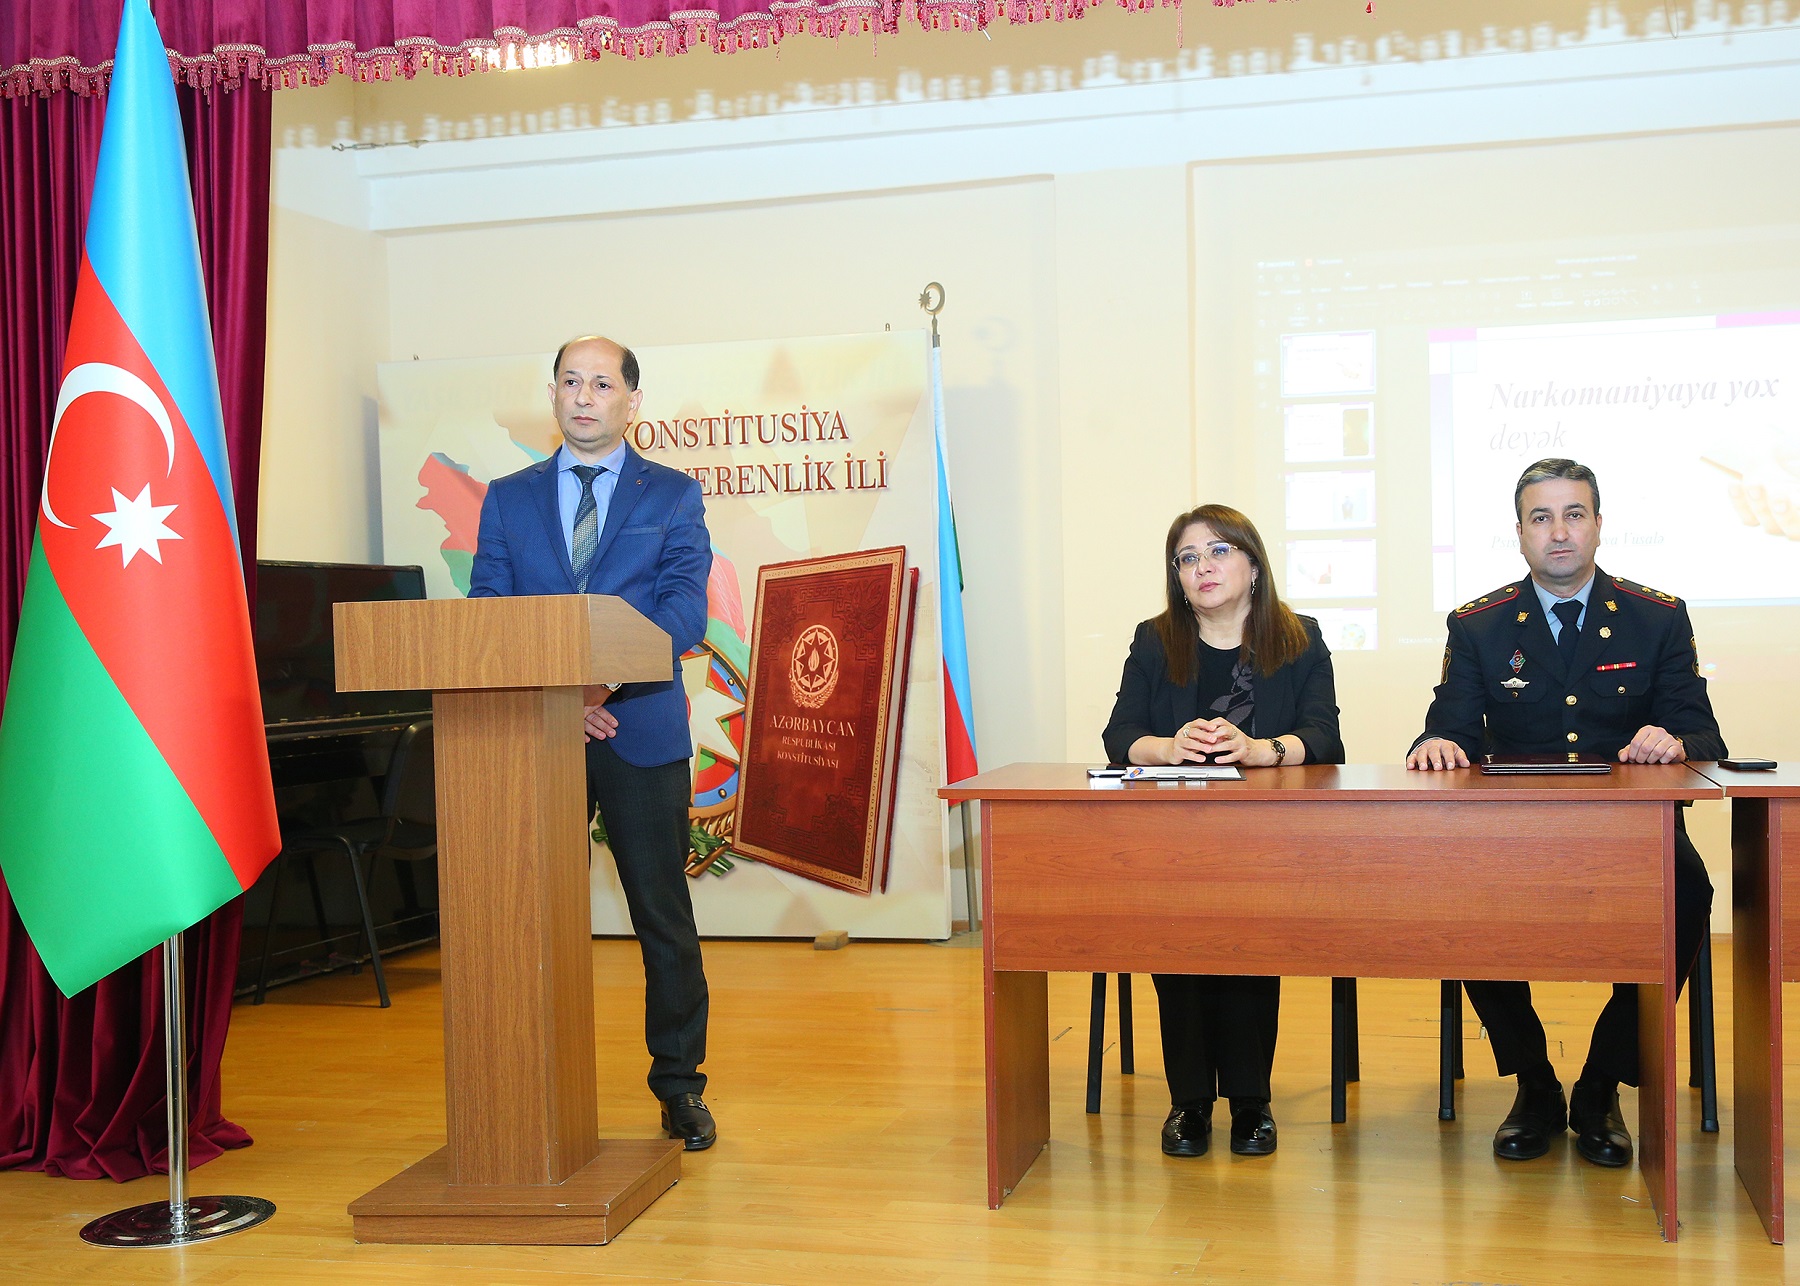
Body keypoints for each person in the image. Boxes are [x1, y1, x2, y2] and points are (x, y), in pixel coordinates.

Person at [1407, 457, 1724, 1169]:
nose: (1559, 532)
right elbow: (1448, 728)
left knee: (1689, 890)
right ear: (1520, 533)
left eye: (1574, 515)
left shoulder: (1656, 617)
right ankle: (1534, 1083)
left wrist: (1675, 739)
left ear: (1599, 526)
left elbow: (1705, 734)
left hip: (1635, 836)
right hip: (1517, 835)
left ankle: (1602, 1083)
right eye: (1541, 518)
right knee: (1459, 898)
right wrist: (1437, 745)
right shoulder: (1479, 625)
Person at [469, 334, 717, 1151]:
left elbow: (684, 609)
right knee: (525, 920)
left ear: (632, 401)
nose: (584, 396)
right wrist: (557, 697)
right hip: (536, 736)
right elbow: (488, 609)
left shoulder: (672, 494)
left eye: (602, 384)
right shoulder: (507, 498)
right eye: (571, 381)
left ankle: (680, 1087)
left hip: (638, 728)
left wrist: (599, 684)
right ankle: (525, 1083)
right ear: (553, 395)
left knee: (662, 920)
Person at [1102, 504, 1344, 1158]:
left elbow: (1325, 737)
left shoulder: (1298, 637)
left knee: (1248, 933)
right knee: (1175, 928)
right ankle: (1188, 1101)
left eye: (1217, 551)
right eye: (1188, 558)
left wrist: (1265, 749)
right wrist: (1167, 747)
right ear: (1177, 577)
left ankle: (1249, 1100)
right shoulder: (1155, 640)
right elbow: (1120, 736)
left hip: (1267, 842)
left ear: (1253, 564)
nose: (1202, 567)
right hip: (1171, 840)